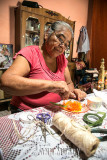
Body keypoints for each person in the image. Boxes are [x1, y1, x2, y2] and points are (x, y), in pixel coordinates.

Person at [0, 21, 86, 113]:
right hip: (26, 111)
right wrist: (50, 85)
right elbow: (5, 82)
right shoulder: (30, 53)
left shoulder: (62, 59)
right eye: (60, 39)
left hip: (54, 109)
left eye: (66, 44)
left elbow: (69, 83)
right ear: (46, 34)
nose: (62, 46)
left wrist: (73, 92)